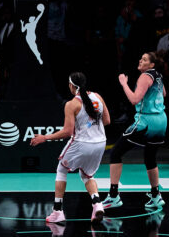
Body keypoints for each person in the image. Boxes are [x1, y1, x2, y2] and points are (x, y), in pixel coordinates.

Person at [31, 72, 111, 223]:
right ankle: (97, 204)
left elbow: (67, 132)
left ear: (72, 86)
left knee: (61, 170)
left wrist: (44, 137)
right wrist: (90, 124)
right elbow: (106, 120)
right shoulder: (98, 97)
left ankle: (57, 211)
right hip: (100, 142)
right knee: (87, 175)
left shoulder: (71, 104)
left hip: (82, 143)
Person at [102, 52, 167, 210]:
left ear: (151, 65)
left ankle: (113, 196)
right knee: (150, 158)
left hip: (146, 121)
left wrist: (124, 83)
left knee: (116, 153)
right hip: (161, 121)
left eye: (144, 59)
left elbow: (134, 100)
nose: (140, 60)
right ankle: (156, 195)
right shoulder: (158, 75)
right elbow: (164, 93)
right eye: (141, 58)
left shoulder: (144, 77)